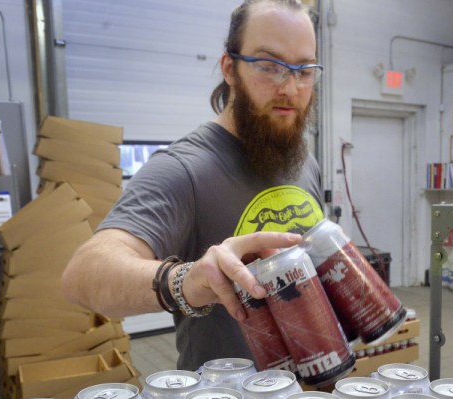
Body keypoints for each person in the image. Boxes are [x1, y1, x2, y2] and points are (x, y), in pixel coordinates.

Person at [61, 0, 326, 371]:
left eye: (304, 70)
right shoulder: (184, 169)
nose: (291, 87)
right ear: (229, 68)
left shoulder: (303, 162)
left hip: (311, 397)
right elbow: (84, 275)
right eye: (269, 66)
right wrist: (185, 280)